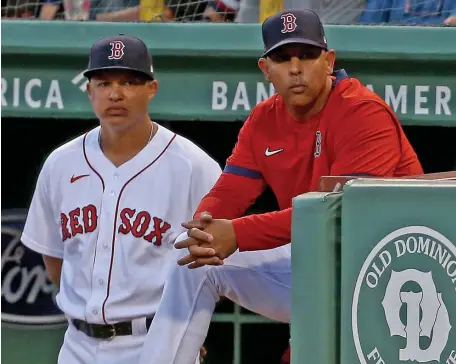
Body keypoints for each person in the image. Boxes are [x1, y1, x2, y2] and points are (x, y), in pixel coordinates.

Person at [138, 9, 424, 364]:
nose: (295, 68)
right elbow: (230, 191)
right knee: (194, 262)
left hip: (385, 273)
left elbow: (340, 212)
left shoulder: (363, 112)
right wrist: (205, 228)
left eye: (306, 55)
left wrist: (238, 234)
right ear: (265, 68)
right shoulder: (264, 119)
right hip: (319, 266)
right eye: (283, 58)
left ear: (328, 60)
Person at [20, 35, 220, 364]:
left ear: (151, 89)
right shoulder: (60, 163)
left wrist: (190, 333)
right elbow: (55, 259)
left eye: (129, 81)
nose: (116, 94)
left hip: (157, 343)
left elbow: (222, 264)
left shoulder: (194, 166)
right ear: (89, 91)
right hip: (77, 346)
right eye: (104, 82)